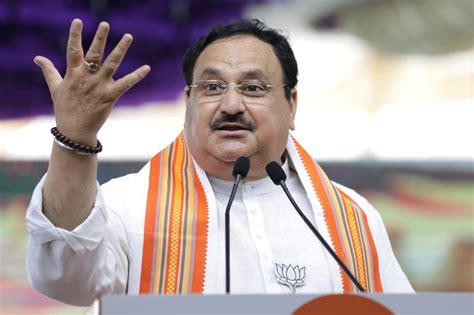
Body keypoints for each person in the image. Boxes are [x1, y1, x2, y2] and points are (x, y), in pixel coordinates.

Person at [26, 18, 413, 306]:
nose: (230, 105)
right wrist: (74, 139)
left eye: (253, 88)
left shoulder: (353, 217)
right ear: (188, 104)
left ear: (291, 105)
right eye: (212, 87)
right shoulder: (128, 205)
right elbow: (62, 279)